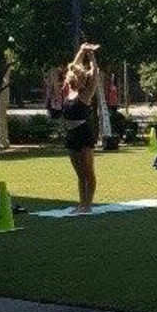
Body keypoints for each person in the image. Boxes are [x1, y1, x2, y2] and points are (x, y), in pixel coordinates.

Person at [62, 43, 101, 214]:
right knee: (79, 174)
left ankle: (87, 205)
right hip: (71, 135)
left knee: (88, 172)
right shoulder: (68, 92)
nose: (70, 77)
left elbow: (95, 75)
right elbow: (74, 65)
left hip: (83, 134)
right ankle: (81, 204)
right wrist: (81, 50)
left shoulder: (85, 94)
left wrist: (91, 56)